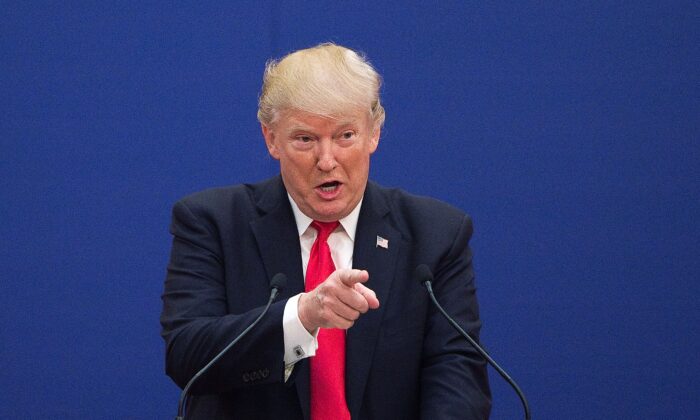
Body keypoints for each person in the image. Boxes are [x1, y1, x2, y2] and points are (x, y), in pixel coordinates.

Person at [160, 43, 491, 419]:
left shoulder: (436, 235)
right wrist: (302, 316)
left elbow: (457, 374)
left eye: (345, 135)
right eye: (305, 139)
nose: (327, 160)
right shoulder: (213, 223)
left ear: (374, 133)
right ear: (271, 139)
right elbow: (187, 356)